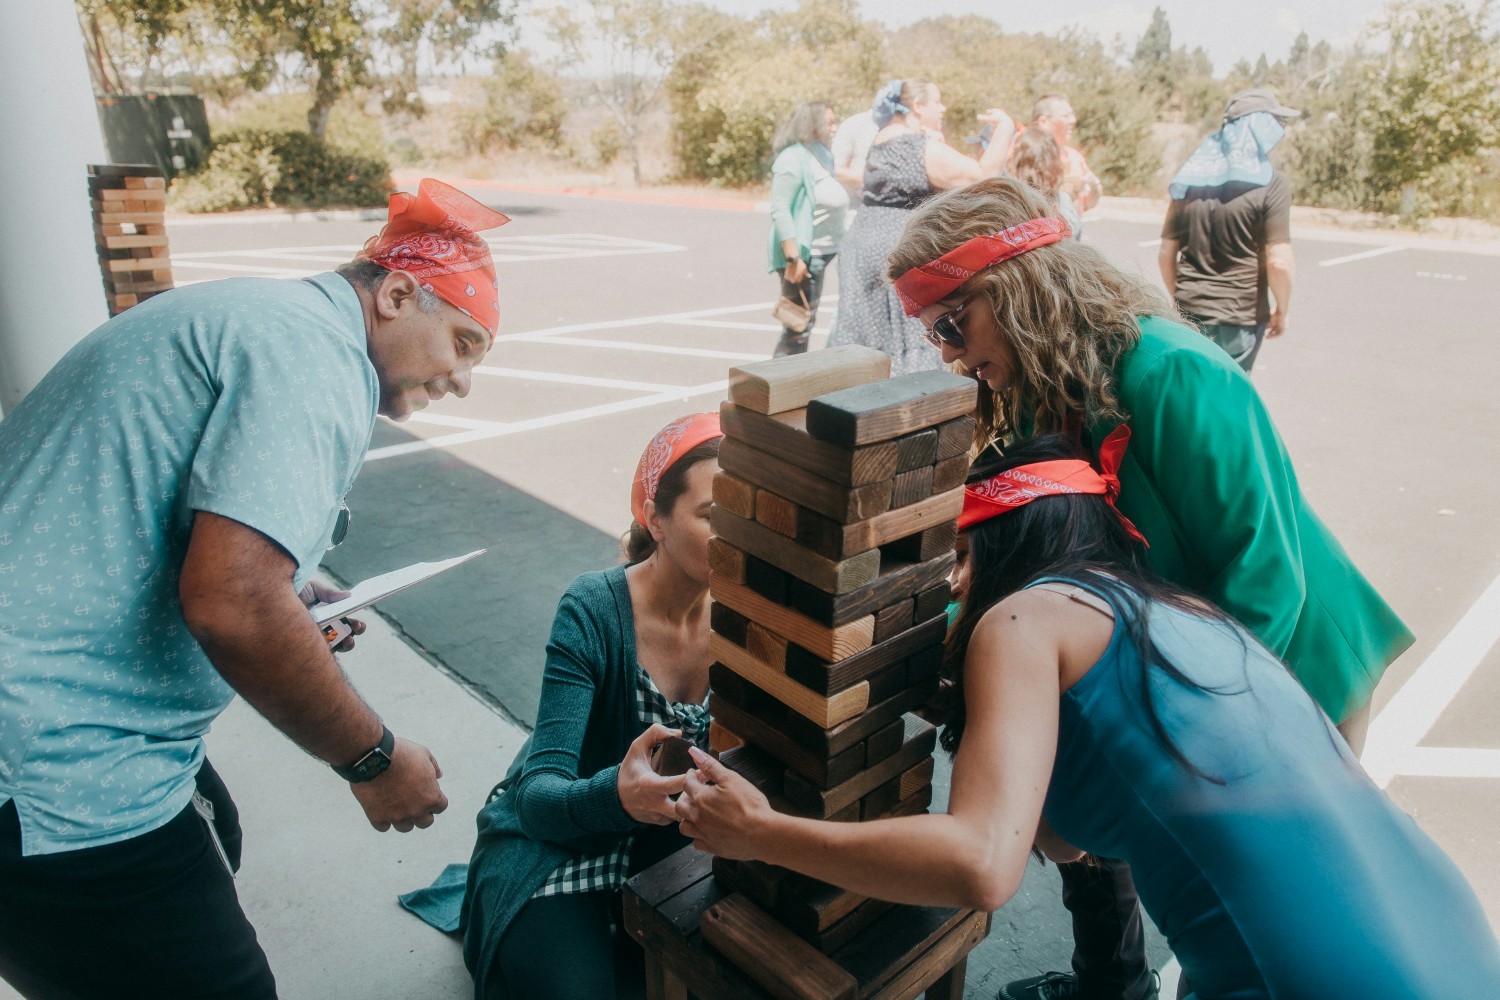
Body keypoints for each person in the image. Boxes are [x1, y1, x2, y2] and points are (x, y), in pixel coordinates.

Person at [676, 434, 1500, 1000]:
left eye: (959, 560)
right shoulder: (1178, 615)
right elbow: (1072, 838)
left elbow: (981, 866)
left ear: (1005, 541)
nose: (953, 590)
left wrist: (761, 832)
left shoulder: (1026, 618)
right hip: (1446, 935)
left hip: (1314, 972)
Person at [884, 176, 1413, 1000]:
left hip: (1281, 667)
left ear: (1021, 287)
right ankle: (1113, 984)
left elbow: (1268, 581)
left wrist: (1193, 746)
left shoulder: (1176, 373)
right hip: (1160, 646)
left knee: (1261, 905)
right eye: (936, 334)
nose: (950, 353)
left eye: (954, 324)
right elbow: (1039, 561)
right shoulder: (1033, 394)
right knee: (1104, 822)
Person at [0, 178, 510, 998]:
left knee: (216, 829)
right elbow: (234, 606)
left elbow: (216, 556)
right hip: (52, 763)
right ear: (398, 295)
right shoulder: (319, 360)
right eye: (464, 342)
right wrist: (373, 758)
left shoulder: (267, 320)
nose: (461, 379)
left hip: (46, 725)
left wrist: (292, 596)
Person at [448, 414, 721, 999]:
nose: (736, 536)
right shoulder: (594, 609)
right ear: (655, 517)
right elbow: (539, 796)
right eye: (712, 516)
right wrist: (618, 796)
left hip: (667, 846)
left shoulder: (748, 613)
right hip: (557, 845)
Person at [828, 78, 1011, 375]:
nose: (942, 108)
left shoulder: (883, 139)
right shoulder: (915, 147)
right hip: (896, 251)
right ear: (917, 106)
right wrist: (1005, 128)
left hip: (862, 246)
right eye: (936, 101)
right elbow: (984, 178)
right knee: (908, 344)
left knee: (870, 343)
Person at [1160, 88, 1299, 373]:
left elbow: (1165, 253)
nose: (1280, 131)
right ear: (1258, 127)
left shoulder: (1189, 179)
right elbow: (1279, 262)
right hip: (1240, 318)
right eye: (1276, 122)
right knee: (1228, 403)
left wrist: (1181, 298)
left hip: (1189, 312)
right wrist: (1282, 309)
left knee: (1193, 397)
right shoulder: (1271, 184)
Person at [768, 101, 850, 357]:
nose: (835, 128)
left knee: (806, 322)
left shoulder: (821, 153)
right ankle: (778, 386)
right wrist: (794, 258)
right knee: (798, 326)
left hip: (825, 250)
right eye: (829, 123)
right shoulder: (792, 158)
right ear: (812, 125)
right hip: (804, 256)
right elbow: (780, 210)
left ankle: (791, 383)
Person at [1005, 125, 1083, 239]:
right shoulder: (1063, 202)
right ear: (1055, 162)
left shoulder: (1008, 200)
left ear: (1017, 161)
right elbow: (1074, 237)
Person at [1033, 94, 1101, 215]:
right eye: (1066, 116)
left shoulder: (1074, 157)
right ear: (1043, 121)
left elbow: (1087, 204)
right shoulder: (1022, 153)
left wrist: (1095, 186)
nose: (1073, 120)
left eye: (1072, 115)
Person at [831, 106, 879, 197]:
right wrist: (870, 180)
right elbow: (834, 169)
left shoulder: (907, 127)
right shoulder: (855, 124)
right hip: (856, 205)